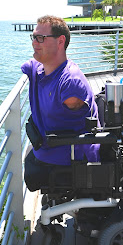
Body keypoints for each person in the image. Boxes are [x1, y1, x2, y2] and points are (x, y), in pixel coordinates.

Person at [22, 15, 100, 191]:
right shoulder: (38, 68)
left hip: (70, 160)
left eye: (40, 38)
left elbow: (74, 105)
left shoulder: (70, 83)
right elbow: (28, 65)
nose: (34, 42)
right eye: (33, 37)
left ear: (60, 41)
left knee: (31, 170)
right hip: (49, 151)